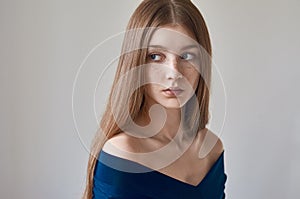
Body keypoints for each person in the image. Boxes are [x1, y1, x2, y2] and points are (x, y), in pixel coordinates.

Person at [83, 0, 227, 198]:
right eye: (156, 57)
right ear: (136, 63)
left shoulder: (212, 148)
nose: (174, 73)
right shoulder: (123, 152)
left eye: (186, 56)